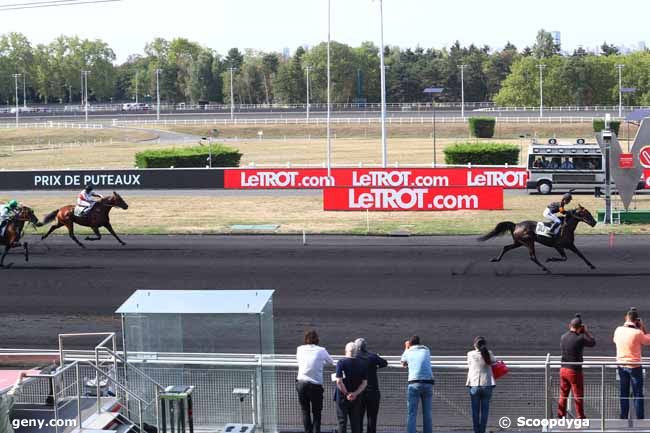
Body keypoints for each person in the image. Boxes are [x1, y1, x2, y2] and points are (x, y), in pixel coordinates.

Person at [613, 308, 650, 420]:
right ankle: (640, 418)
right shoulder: (638, 333)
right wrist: (643, 327)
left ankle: (624, 417)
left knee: (623, 393)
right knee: (638, 394)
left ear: (626, 318)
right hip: (635, 366)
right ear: (636, 321)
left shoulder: (618, 330)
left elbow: (615, 340)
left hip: (621, 366)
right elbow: (647, 341)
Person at [296, 330, 334, 433]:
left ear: (306, 339)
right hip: (315, 386)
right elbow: (331, 362)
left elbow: (299, 361)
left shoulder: (299, 349)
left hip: (301, 384)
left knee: (305, 411)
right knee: (317, 413)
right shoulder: (321, 350)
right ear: (317, 340)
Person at [558, 314, 596, 419]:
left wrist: (580, 331)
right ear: (580, 327)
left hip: (563, 368)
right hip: (574, 371)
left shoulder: (563, 337)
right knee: (578, 395)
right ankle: (580, 417)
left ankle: (561, 416)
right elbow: (593, 342)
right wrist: (586, 332)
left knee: (563, 394)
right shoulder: (580, 338)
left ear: (569, 325)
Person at [354, 338, 388, 433]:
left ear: (356, 347)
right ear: (365, 346)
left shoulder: (354, 358)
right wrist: (376, 366)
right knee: (372, 418)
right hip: (373, 392)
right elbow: (384, 363)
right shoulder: (372, 357)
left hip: (359, 392)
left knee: (358, 418)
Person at [401, 335, 434, 433]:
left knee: (412, 413)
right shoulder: (426, 350)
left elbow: (403, 363)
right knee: (427, 413)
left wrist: (406, 347)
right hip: (428, 383)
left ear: (410, 344)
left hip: (414, 383)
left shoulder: (409, 351)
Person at [335, 342, 368, 433]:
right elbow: (364, 383)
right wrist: (354, 394)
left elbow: (339, 381)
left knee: (342, 422)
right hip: (356, 398)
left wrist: (346, 393)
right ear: (356, 351)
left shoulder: (341, 363)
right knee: (355, 422)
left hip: (342, 397)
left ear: (346, 351)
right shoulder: (362, 364)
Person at [466, 337, 496, 433]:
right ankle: (482, 430)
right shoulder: (489, 354)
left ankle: (476, 431)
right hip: (486, 385)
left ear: (475, 345)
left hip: (474, 384)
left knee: (475, 411)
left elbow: (469, 363)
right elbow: (494, 362)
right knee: (485, 411)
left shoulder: (470, 354)